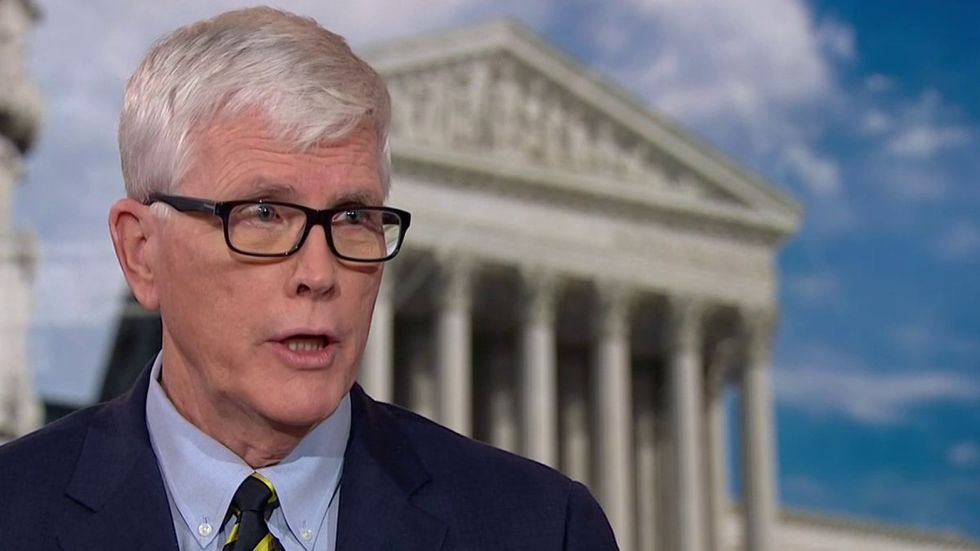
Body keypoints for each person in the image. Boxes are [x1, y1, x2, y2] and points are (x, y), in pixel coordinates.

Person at [0, 7, 618, 551]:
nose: (320, 274)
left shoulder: (544, 530)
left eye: (353, 218)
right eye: (264, 214)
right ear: (141, 253)